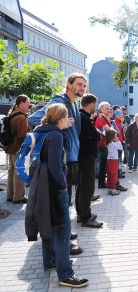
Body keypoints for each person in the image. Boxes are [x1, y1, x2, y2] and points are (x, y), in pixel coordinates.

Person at [25, 103, 89, 288]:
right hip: (54, 186)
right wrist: (63, 186)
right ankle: (66, 274)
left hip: (42, 183)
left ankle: (51, 262)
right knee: (62, 229)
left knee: (50, 222)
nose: (69, 119)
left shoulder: (41, 130)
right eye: (67, 116)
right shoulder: (55, 135)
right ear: (60, 118)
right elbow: (55, 165)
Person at [28, 73, 85, 255]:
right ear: (68, 85)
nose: (82, 88)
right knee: (61, 203)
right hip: (61, 160)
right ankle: (62, 244)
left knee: (65, 201)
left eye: (84, 85)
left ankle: (64, 234)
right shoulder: (59, 101)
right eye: (79, 84)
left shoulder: (74, 103)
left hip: (71, 157)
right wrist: (59, 124)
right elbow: (34, 119)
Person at [76, 94, 103, 228]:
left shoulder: (80, 116)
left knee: (81, 186)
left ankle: (81, 214)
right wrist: (96, 134)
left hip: (82, 155)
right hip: (86, 155)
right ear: (91, 104)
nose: (96, 107)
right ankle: (86, 217)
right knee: (87, 187)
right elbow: (97, 136)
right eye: (96, 104)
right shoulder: (84, 118)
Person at [5, 94, 30, 204]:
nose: (29, 104)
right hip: (17, 147)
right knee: (19, 171)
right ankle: (19, 196)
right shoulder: (21, 117)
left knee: (11, 171)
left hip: (10, 147)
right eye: (27, 102)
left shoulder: (12, 113)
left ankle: (10, 195)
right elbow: (22, 136)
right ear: (21, 103)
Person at [106, 128, 123, 195]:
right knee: (114, 175)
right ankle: (113, 189)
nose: (116, 136)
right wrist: (118, 141)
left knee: (109, 174)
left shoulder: (108, 143)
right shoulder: (112, 143)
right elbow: (121, 148)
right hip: (114, 160)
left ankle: (109, 188)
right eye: (115, 135)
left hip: (109, 160)